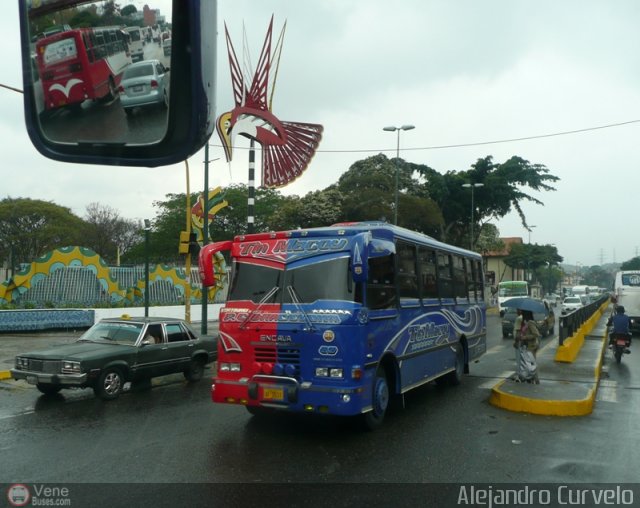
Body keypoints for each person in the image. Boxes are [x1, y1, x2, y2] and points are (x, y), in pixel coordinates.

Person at [519, 310, 541, 383]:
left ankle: (536, 380)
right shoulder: (526, 322)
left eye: (523, 314)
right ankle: (531, 379)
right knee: (529, 364)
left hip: (531, 346)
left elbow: (536, 334)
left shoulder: (530, 323)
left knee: (532, 364)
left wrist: (525, 337)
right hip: (528, 346)